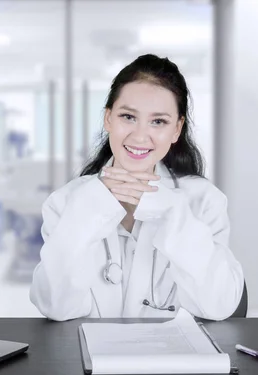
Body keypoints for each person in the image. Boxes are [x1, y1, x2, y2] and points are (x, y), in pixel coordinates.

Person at [29, 54, 245, 322]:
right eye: (128, 117)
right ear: (108, 119)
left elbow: (220, 305)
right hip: (88, 361)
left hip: (173, 362)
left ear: (177, 129)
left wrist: (171, 213)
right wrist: (90, 209)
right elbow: (54, 306)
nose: (140, 136)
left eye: (158, 121)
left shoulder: (204, 201)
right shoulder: (65, 201)